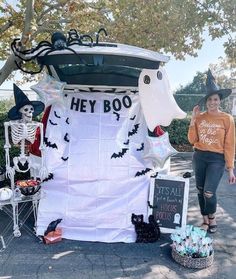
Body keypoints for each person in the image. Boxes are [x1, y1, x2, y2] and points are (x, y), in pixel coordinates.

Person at [188, 69, 235, 233]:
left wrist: (230, 169)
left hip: (217, 159)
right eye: (209, 99)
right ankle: (205, 220)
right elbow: (192, 140)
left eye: (215, 99)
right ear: (206, 101)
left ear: (219, 100)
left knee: (209, 192)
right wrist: (193, 119)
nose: (212, 102)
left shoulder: (227, 119)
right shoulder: (199, 117)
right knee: (200, 190)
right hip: (199, 156)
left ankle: (212, 217)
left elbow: (230, 144)